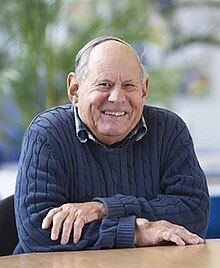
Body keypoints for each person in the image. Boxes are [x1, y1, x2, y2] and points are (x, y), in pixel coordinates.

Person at [14, 36, 209, 254]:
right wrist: (134, 232)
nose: (117, 98)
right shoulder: (47, 134)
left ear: (144, 90)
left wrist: (103, 209)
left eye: (129, 85)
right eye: (104, 84)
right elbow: (37, 233)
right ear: (74, 90)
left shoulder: (169, 130)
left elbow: (194, 214)